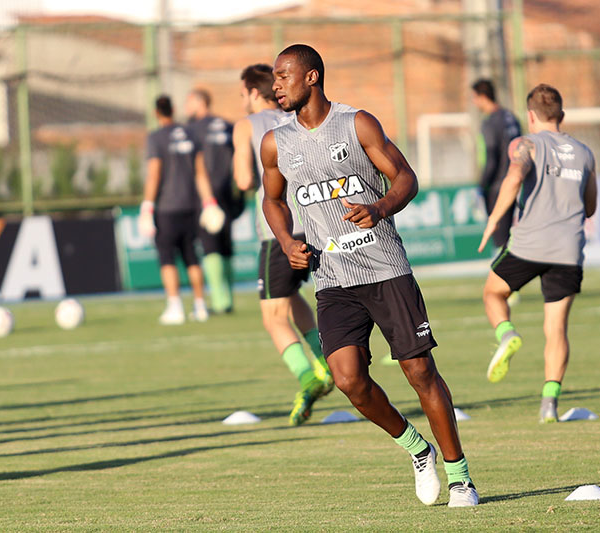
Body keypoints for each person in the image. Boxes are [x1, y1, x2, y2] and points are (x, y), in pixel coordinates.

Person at [261, 44, 478, 507]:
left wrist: (379, 207)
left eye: (283, 76)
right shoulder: (276, 143)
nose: (275, 85)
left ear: (312, 77)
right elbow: (273, 200)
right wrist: (285, 242)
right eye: (273, 78)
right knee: (348, 380)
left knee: (420, 370)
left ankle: (460, 477)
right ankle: (417, 450)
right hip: (332, 277)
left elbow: (405, 177)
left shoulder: (357, 123)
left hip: (385, 270)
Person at [478, 83, 598, 423]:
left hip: (529, 245)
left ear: (530, 116)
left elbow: (514, 175)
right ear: (561, 115)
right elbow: (590, 207)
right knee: (556, 328)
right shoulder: (585, 153)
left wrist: (493, 220)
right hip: (568, 250)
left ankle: (508, 334)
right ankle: (549, 404)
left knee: (492, 293)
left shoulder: (526, 144)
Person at [233, 63, 333, 426]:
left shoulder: (246, 126)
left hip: (280, 232)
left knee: (272, 317)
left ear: (252, 93)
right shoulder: (296, 116)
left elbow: (245, 179)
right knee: (290, 298)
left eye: (242, 94)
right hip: (318, 224)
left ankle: (310, 379)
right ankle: (325, 362)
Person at [138, 95, 221, 325]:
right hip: (191, 206)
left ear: (156, 113)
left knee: (167, 259)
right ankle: (200, 305)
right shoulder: (190, 134)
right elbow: (201, 172)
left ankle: (175, 307)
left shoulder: (156, 138)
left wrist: (147, 206)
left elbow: (154, 174)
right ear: (173, 110)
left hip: (166, 208)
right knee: (192, 256)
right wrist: (209, 202)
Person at [186, 88, 237, 314]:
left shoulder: (193, 129)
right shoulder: (228, 126)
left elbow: (197, 167)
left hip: (205, 195)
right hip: (227, 192)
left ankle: (219, 301)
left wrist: (207, 200)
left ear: (199, 102)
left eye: (189, 102)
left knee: (210, 246)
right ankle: (228, 299)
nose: (187, 107)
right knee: (226, 245)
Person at [472, 78, 521, 249]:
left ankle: (505, 275)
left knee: (500, 242)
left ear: (483, 97)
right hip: (515, 183)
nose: (474, 102)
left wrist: (481, 187)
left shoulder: (490, 122)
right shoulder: (511, 118)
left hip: (497, 187)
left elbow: (491, 157)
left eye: (475, 97)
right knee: (508, 236)